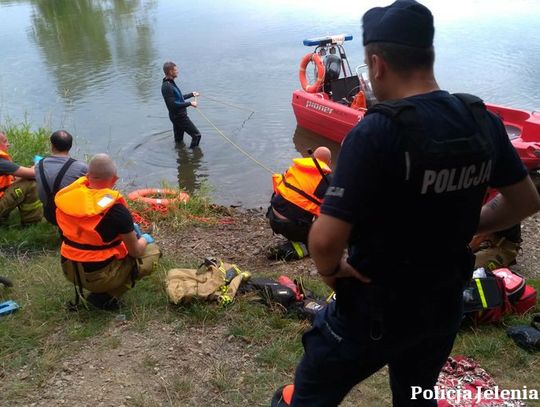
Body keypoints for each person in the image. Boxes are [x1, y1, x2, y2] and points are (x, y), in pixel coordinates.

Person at [287, 1, 540, 406]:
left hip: (374, 308)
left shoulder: (377, 132)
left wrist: (333, 271)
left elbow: (324, 241)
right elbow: (525, 200)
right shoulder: (481, 120)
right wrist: (465, 225)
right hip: (442, 304)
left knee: (312, 393)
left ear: (377, 63)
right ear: (428, 54)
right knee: (416, 395)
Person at [55, 154, 161, 310]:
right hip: (98, 277)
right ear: (114, 179)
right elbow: (136, 251)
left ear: (87, 176)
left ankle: (101, 289)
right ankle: (105, 297)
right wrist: (145, 238)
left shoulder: (67, 200)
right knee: (152, 253)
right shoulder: (117, 211)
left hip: (69, 269)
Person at [266, 147, 332, 259]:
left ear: (312, 158)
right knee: (321, 244)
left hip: (272, 217)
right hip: (290, 226)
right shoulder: (326, 180)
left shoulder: (296, 167)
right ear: (329, 163)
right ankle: (289, 251)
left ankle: (295, 238)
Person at [35, 130, 88, 225]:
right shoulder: (82, 167)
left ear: (52, 146)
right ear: (70, 146)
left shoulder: (39, 164)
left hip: (49, 214)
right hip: (69, 216)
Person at [0, 132, 43, 226]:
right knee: (30, 182)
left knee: (23, 178)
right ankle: (31, 222)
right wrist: (38, 164)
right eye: (4, 141)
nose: (8, 144)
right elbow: (34, 174)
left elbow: (13, 177)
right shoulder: (2, 163)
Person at [161, 61, 202, 148]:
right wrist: (190, 103)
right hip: (179, 117)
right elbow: (172, 105)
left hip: (176, 116)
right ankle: (193, 159)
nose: (178, 71)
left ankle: (181, 155)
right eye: (175, 70)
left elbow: (178, 98)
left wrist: (191, 94)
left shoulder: (170, 83)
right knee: (197, 135)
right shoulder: (167, 86)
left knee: (179, 140)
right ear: (170, 72)